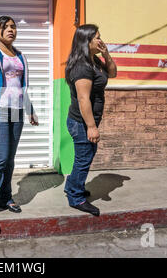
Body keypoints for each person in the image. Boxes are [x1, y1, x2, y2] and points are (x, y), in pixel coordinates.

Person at [0, 16, 39, 226]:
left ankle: (4, 198)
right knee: (0, 158)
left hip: (17, 111)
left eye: (13, 27)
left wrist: (30, 109)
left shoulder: (20, 55)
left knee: (9, 159)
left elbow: (20, 86)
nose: (11, 30)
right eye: (6, 27)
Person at [63, 24, 117, 216]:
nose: (101, 40)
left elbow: (112, 73)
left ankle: (71, 185)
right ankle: (76, 197)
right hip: (81, 122)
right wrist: (91, 127)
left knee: (85, 156)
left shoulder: (94, 61)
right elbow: (83, 98)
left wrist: (107, 55)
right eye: (97, 38)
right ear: (86, 41)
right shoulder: (82, 67)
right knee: (84, 158)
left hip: (85, 122)